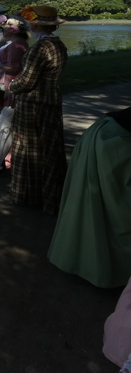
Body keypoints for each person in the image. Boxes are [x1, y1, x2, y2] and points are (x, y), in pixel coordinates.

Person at [48, 108, 131, 288]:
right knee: (106, 203)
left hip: (105, 135)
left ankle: (82, 259)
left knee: (90, 200)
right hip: (113, 140)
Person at [8, 5, 68, 215]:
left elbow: (27, 81)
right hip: (51, 100)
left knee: (29, 149)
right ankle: (51, 194)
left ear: (36, 24)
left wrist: (9, 86)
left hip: (33, 105)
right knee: (49, 149)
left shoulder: (40, 49)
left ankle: (30, 195)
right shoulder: (58, 45)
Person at [0, 17, 29, 108]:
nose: (3, 31)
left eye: (4, 29)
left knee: (7, 108)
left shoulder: (16, 45)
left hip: (9, 81)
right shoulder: (14, 42)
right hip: (6, 79)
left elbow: (13, 68)